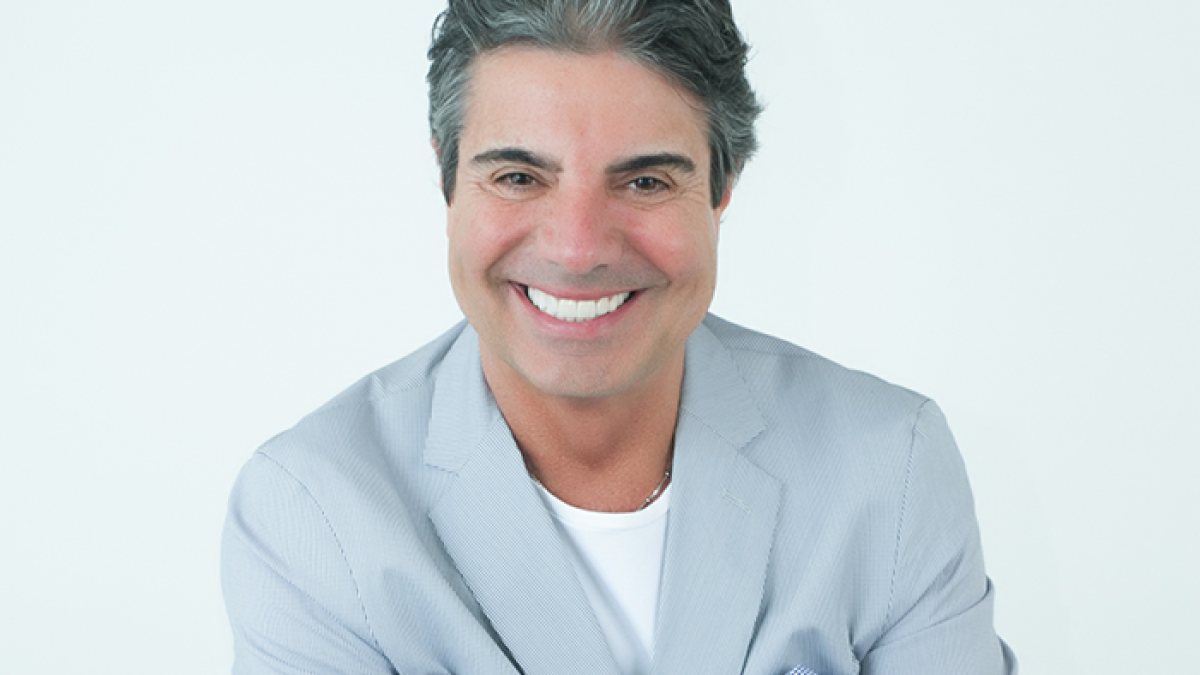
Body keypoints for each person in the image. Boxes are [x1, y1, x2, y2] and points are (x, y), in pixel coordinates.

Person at [221, 1, 1017, 673]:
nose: (577, 249)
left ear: (723, 187)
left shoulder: (889, 468)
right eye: (518, 176)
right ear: (447, 179)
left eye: (644, 180)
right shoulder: (314, 512)